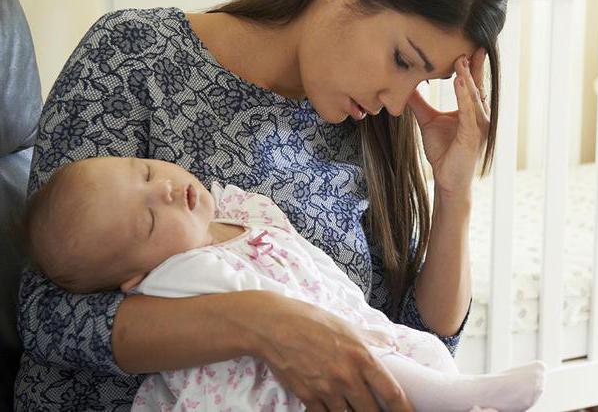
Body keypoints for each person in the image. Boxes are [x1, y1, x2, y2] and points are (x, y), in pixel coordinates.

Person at [15, 0, 508, 410]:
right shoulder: (134, 54)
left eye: (423, 79)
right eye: (403, 59)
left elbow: (415, 345)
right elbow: (47, 315)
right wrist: (261, 323)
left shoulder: (368, 125)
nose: (396, 101)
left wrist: (454, 195)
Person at [24, 155, 545, 412]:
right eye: (146, 222)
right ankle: (459, 398)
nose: (162, 191)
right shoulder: (176, 275)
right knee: (380, 370)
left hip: (343, 321)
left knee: (421, 349)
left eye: (143, 173)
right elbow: (40, 317)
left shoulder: (237, 207)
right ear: (134, 277)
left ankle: (457, 394)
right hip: (278, 382)